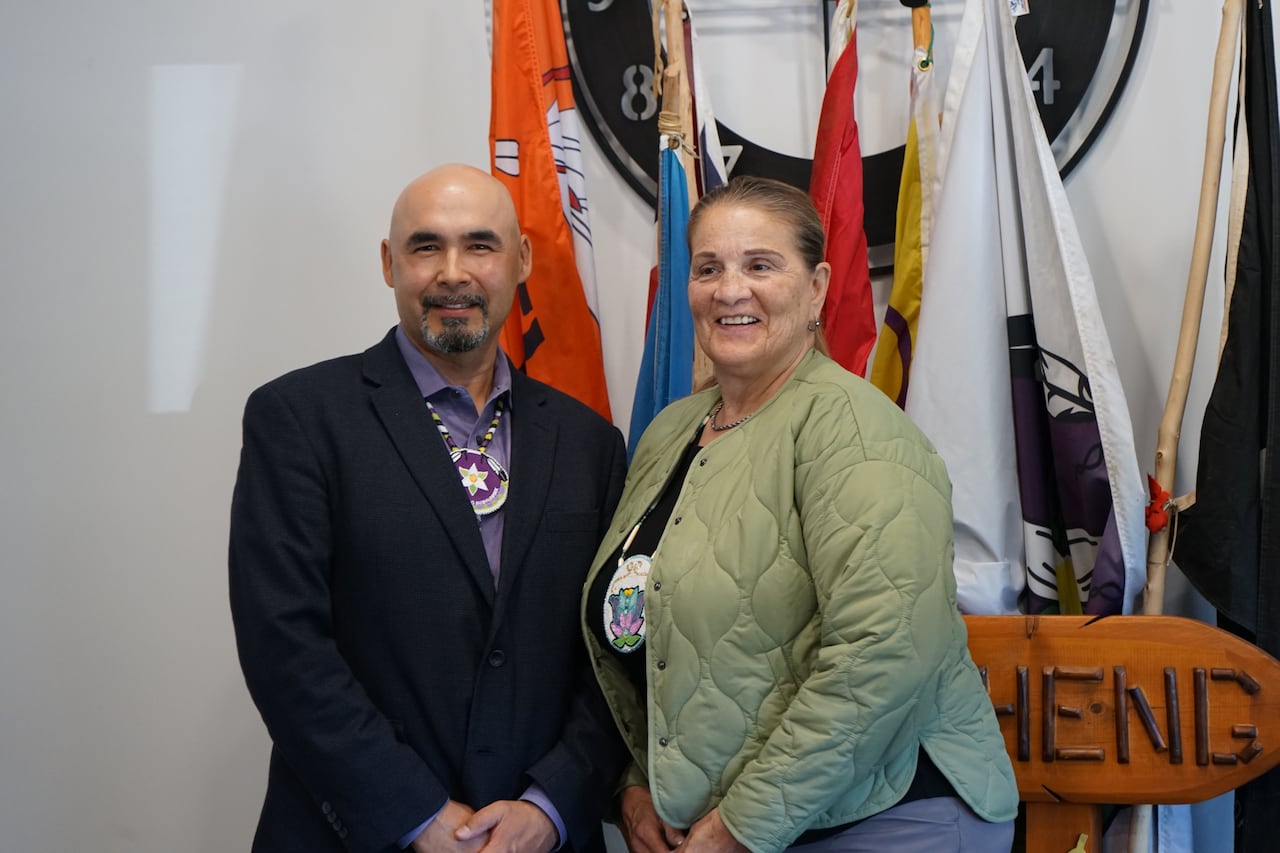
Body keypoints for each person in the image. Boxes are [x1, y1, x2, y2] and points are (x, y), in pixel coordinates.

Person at [581, 176, 1019, 853]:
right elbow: (663, 632)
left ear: (816, 288)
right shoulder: (671, 432)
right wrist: (637, 780)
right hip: (743, 821)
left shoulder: (855, 429)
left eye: (760, 264)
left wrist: (742, 824)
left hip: (889, 814)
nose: (730, 289)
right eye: (708, 268)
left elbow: (883, 652)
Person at [230, 164, 628, 853]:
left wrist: (551, 803)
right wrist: (415, 813)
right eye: (424, 247)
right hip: (357, 833)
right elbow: (284, 646)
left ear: (521, 260)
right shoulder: (298, 418)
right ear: (389, 263)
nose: (453, 272)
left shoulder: (590, 441)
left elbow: (612, 647)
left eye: (480, 245)